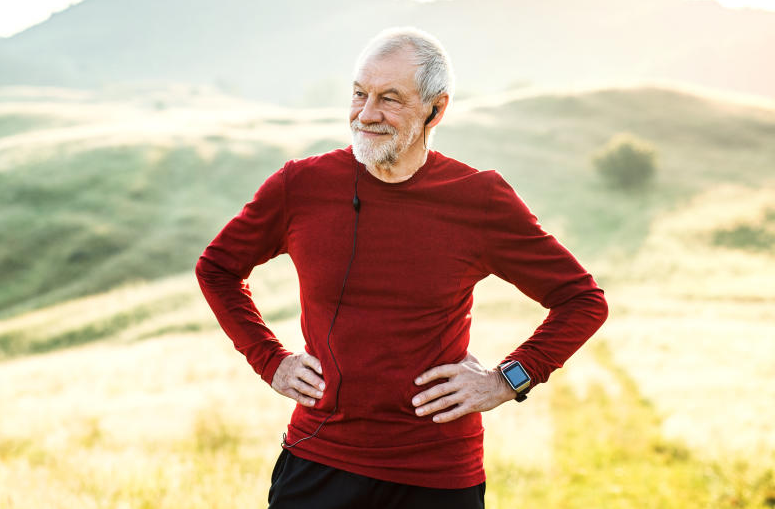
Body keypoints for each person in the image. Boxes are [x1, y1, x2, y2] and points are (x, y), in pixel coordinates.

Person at [195, 27, 608, 508]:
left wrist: (507, 379)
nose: (367, 115)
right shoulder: (300, 186)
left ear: (437, 108)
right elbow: (217, 268)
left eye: (390, 99)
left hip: (437, 473)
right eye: (358, 94)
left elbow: (582, 301)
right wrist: (271, 361)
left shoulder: (479, 198)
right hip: (319, 460)